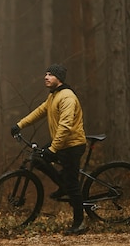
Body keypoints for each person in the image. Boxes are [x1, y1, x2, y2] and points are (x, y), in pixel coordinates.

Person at [10, 63, 88, 235]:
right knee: (37, 158)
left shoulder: (67, 97)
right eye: (46, 74)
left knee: (73, 185)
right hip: (61, 144)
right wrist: (19, 125)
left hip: (72, 146)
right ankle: (63, 184)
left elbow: (66, 126)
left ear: (58, 78)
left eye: (50, 75)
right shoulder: (54, 96)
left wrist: (53, 149)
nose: (46, 77)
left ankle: (79, 223)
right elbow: (39, 112)